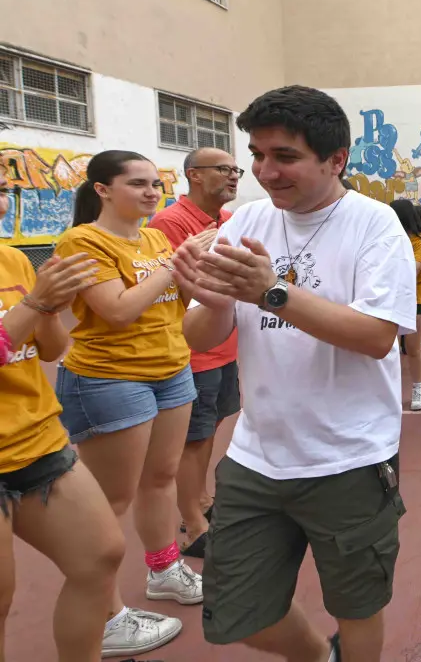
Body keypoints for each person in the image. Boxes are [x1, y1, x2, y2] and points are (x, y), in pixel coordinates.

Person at [175, 85, 415, 662]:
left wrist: (271, 291)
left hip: (351, 458)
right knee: (236, 612)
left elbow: (375, 336)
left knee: (357, 607)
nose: (265, 172)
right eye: (257, 155)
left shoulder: (374, 225)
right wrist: (212, 300)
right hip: (257, 456)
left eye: (285, 156)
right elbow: (200, 337)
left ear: (336, 160)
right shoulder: (245, 221)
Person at [56, 150, 207, 657]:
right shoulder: (82, 241)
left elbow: (173, 304)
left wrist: (193, 272)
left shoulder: (154, 239)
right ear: (102, 190)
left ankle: (164, 570)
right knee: (108, 502)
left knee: (161, 478)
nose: (150, 192)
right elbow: (117, 311)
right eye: (137, 183)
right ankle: (105, 616)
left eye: (155, 184)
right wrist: (176, 266)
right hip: (110, 377)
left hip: (170, 368)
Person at [0, 170, 130, 662]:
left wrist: (49, 307)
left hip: (37, 441)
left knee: (100, 555)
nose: (3, 202)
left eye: (3, 190)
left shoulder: (12, 258)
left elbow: (51, 350)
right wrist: (35, 302)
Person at [147, 147, 242, 557]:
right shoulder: (169, 222)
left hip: (225, 346)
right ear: (194, 175)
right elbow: (174, 286)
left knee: (211, 427)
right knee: (193, 437)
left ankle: (201, 500)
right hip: (192, 350)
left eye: (236, 169)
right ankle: (192, 524)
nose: (233, 175)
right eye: (223, 169)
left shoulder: (229, 220)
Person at [391, 198, 421, 410]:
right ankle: (391, 392)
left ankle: (417, 389)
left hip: (416, 298)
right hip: (390, 297)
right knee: (389, 348)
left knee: (412, 347)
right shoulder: (388, 238)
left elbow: (412, 270)